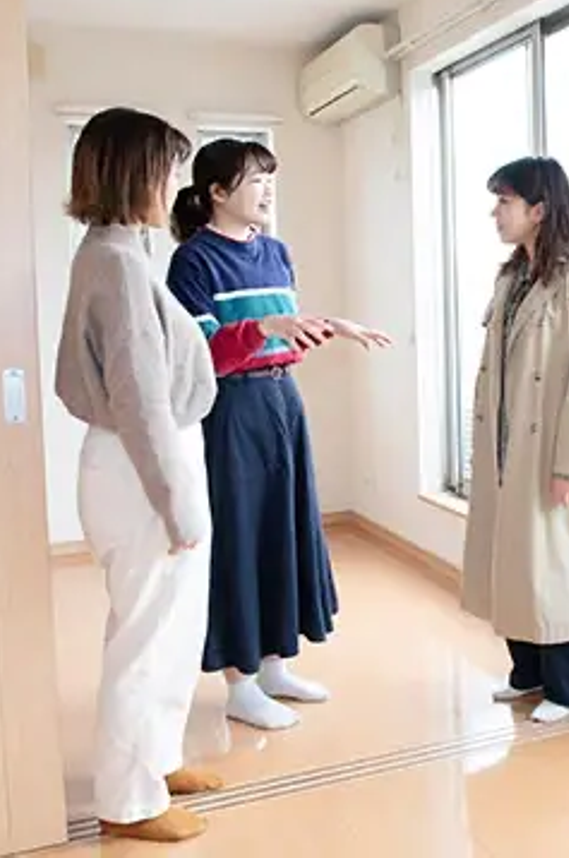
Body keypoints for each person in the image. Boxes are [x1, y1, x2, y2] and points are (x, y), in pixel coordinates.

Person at [166, 138, 391, 732]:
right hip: (231, 410)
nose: (267, 191)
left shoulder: (276, 252)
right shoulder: (193, 261)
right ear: (217, 192)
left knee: (283, 529)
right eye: (255, 180)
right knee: (240, 536)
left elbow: (281, 334)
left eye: (270, 179)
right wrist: (265, 325)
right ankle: (239, 684)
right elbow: (204, 355)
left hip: (282, 401)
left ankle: (273, 669)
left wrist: (329, 326)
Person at [54, 107, 224, 844]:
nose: (174, 185)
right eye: (166, 170)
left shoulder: (113, 251)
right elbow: (141, 399)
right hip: (142, 466)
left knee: (171, 628)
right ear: (133, 174)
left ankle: (157, 760)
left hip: (140, 461)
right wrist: (177, 501)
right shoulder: (118, 265)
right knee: (145, 637)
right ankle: (128, 802)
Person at [460, 156, 569, 725]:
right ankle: (529, 672)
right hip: (509, 446)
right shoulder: (512, 277)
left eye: (504, 201)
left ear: (539, 209)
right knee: (517, 563)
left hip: (557, 450)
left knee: (561, 570)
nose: (495, 213)